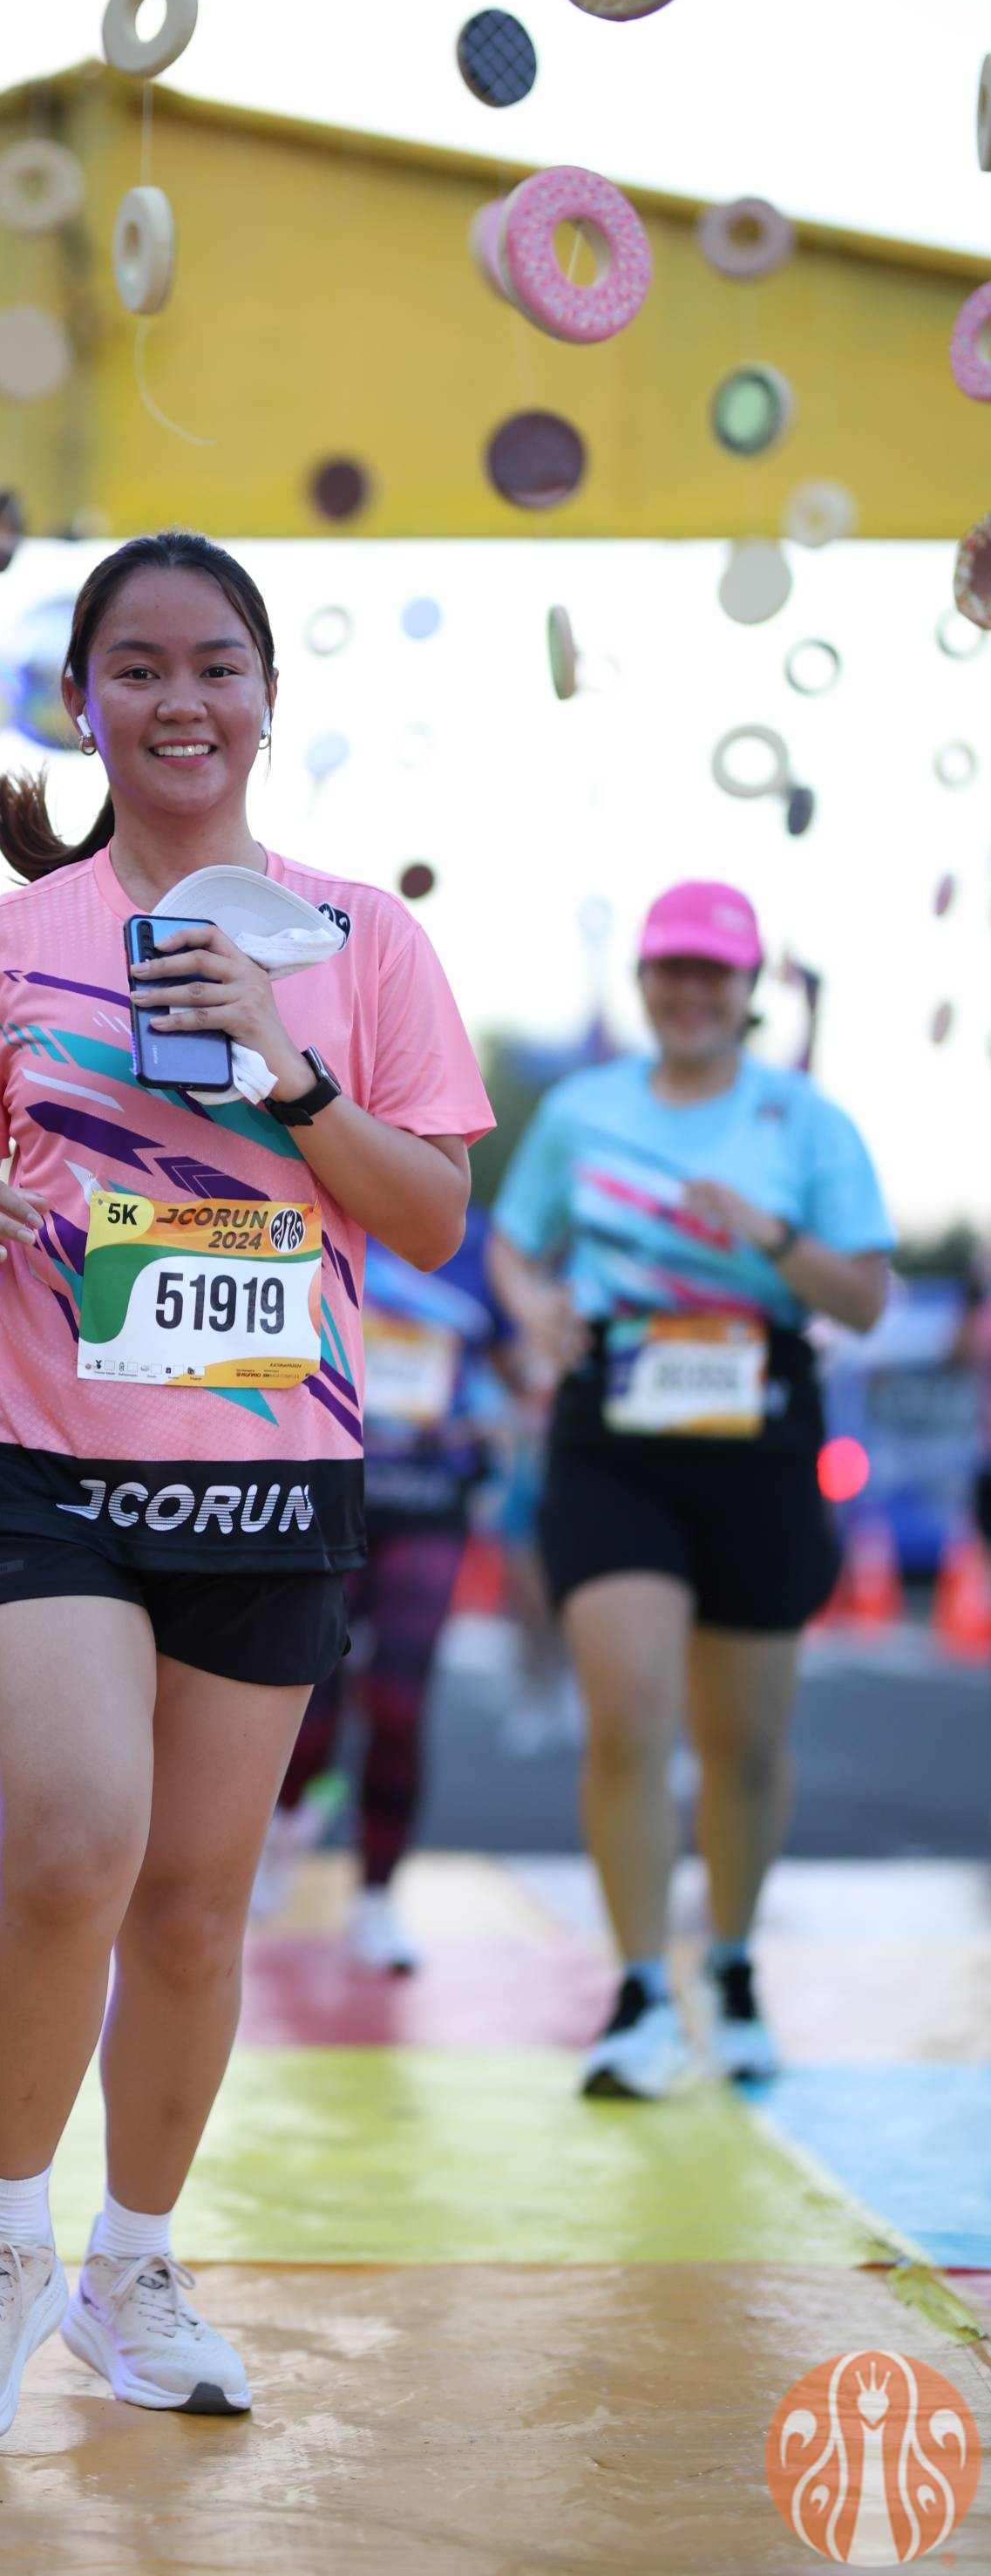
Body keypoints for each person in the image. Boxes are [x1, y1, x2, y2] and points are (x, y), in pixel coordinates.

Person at [0, 528, 492, 2441]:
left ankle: (129, 2274)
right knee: (75, 1850)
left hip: (270, 1474)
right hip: (41, 1452)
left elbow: (436, 1217)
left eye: (215, 665)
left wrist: (290, 1076)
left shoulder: (362, 939)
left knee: (200, 1907)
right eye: (135, 668)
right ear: (83, 705)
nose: (179, 700)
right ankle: (3, 2246)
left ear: (267, 699)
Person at [487, 880, 893, 2101]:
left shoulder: (804, 1121)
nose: (690, 993)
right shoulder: (583, 1112)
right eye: (671, 969)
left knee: (744, 1744)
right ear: (644, 980)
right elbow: (511, 1240)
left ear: (749, 988)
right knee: (626, 1716)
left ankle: (729, 1962)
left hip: (761, 1431)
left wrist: (768, 1235)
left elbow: (865, 1298)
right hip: (614, 1431)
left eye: (713, 973)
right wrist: (534, 1308)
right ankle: (637, 1993)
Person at [251, 1208, 514, 1968]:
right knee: (309, 1702)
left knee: (399, 1703)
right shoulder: (305, 1205)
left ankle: (377, 1899)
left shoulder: (478, 1243)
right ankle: (284, 1823)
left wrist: (499, 1415)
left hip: (428, 1499)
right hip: (319, 1492)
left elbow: (515, 1367)